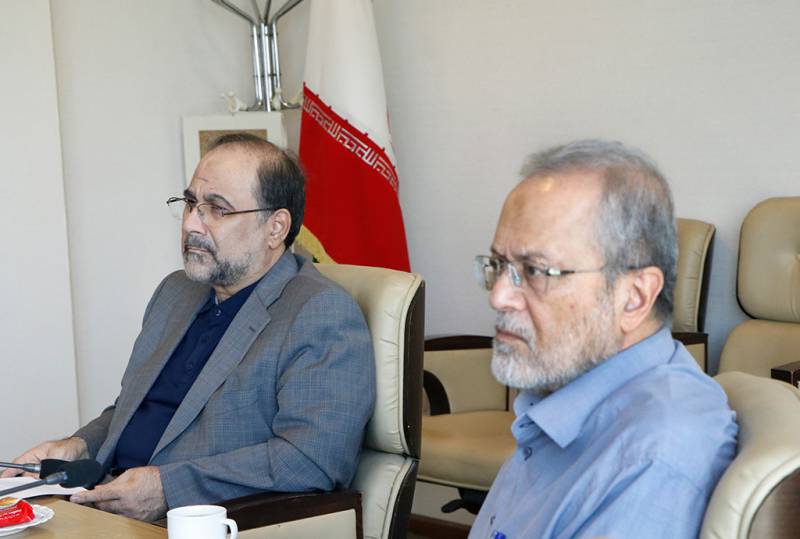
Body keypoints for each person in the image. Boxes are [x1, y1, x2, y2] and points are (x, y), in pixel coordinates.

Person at [2, 133, 376, 521]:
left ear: (275, 227)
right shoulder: (176, 292)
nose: (192, 224)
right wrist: (79, 445)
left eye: (217, 209)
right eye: (191, 203)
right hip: (104, 503)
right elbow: (134, 409)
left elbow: (311, 460)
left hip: (199, 521)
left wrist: (168, 488)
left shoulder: (319, 313)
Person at [469, 140, 737, 539]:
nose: (498, 296)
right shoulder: (568, 397)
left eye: (536, 270)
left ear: (635, 297)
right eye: (499, 264)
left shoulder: (651, 456)